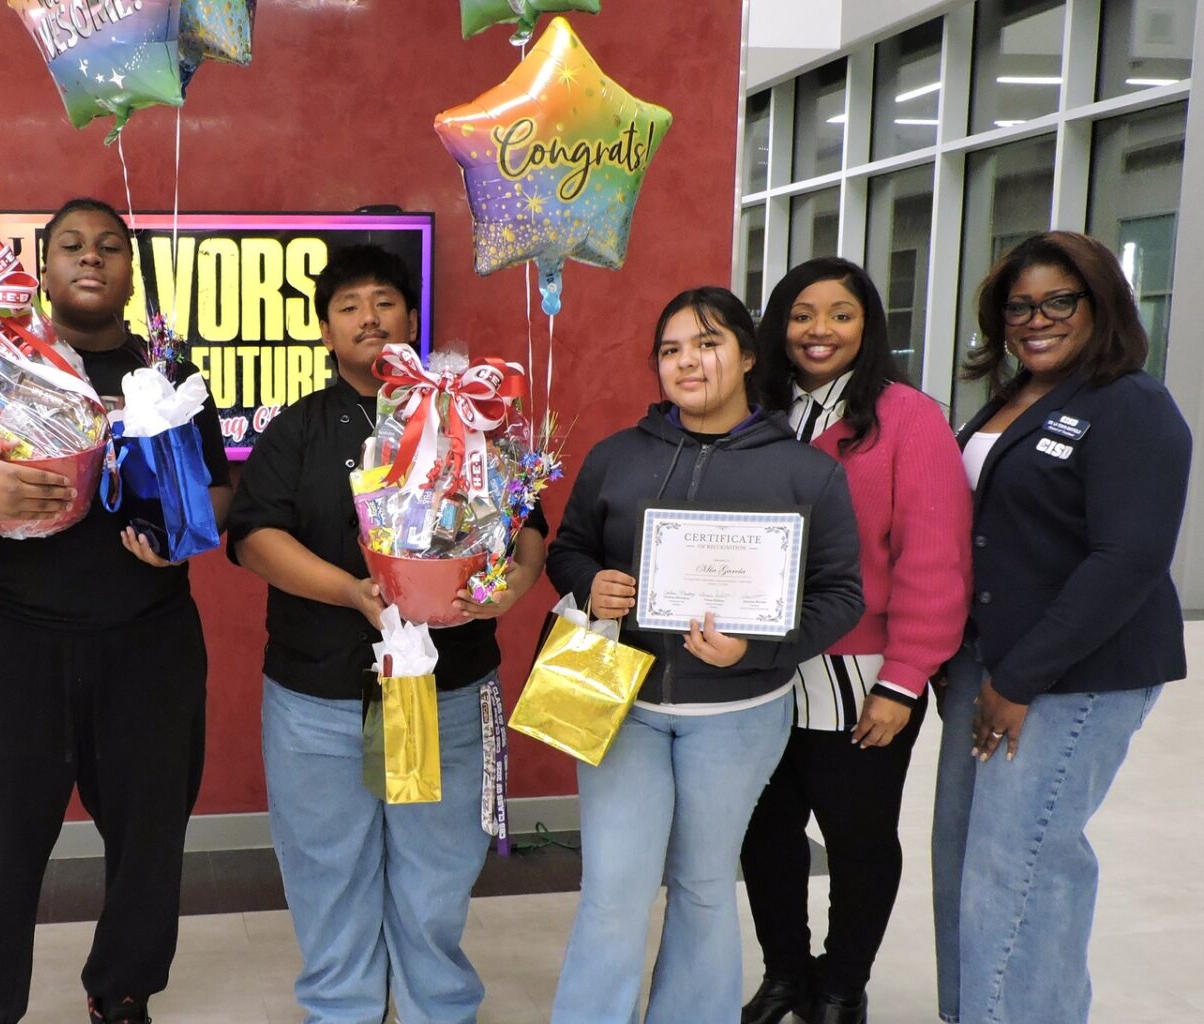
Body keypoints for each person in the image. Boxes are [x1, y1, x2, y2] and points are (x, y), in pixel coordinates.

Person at [0, 197, 232, 1024]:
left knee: (149, 838)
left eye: (111, 247)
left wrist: (187, 532)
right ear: (43, 269)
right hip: (13, 640)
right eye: (72, 246)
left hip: (149, 640)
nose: (92, 258)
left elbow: (222, 493)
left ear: (131, 271)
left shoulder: (171, 372)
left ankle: (122, 993)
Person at [228, 244, 550, 1023]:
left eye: (384, 302)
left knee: (438, 865)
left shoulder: (471, 424)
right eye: (348, 307)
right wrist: (350, 591)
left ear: (412, 318)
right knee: (325, 866)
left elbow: (527, 528)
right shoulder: (298, 430)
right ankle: (342, 1007)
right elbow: (252, 537)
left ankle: (438, 1006)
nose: (368, 317)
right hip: (319, 694)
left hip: (448, 684)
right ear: (326, 334)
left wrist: (508, 587)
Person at [545, 287, 864, 1024]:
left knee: (704, 885)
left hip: (740, 714)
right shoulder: (617, 457)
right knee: (614, 890)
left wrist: (760, 645)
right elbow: (569, 551)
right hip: (620, 703)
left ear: (749, 356)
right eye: (671, 349)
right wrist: (593, 584)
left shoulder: (805, 471)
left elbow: (840, 594)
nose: (688, 361)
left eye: (708, 342)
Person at [931, 231, 1188, 1024]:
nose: (1034, 320)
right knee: (965, 856)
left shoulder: (1132, 405)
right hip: (989, 663)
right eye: (1018, 306)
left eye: (1057, 302)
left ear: (1100, 302)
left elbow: (1127, 558)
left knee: (1023, 864)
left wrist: (1019, 680)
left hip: (1071, 675)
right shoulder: (1014, 398)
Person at [737, 258, 972, 1024]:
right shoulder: (750, 410)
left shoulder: (909, 417)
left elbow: (935, 558)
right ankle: (786, 975)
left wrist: (905, 681)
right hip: (754, 672)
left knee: (859, 843)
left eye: (840, 314)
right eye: (803, 314)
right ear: (778, 325)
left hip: (861, 679)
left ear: (867, 324)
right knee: (765, 836)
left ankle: (841, 987)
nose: (819, 331)